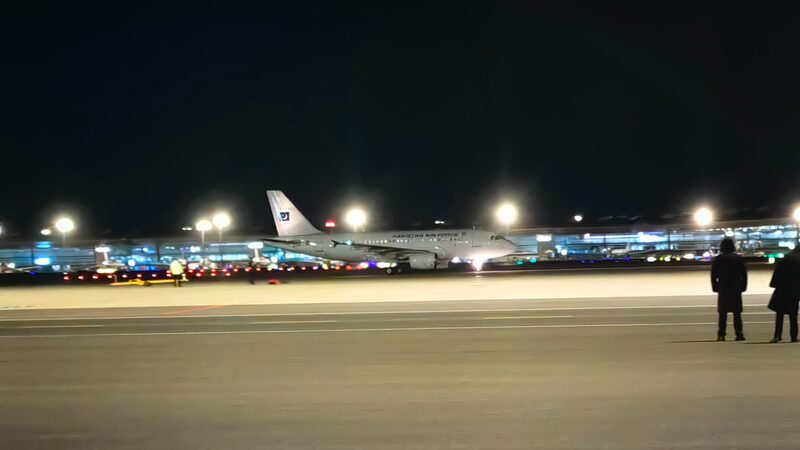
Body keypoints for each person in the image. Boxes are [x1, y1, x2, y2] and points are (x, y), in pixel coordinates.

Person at [710, 238, 747, 341]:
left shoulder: (718, 259)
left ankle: (721, 334)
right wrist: (743, 287)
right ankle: (739, 334)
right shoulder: (738, 258)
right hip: (735, 286)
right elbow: (744, 275)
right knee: (737, 313)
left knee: (723, 313)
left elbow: (713, 275)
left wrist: (715, 287)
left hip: (723, 286)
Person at [768, 246, 800, 343]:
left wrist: (773, 284)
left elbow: (776, 274)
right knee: (793, 315)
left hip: (782, 289)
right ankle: (793, 336)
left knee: (780, 313)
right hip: (795, 290)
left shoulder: (785, 259)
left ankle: (777, 335)